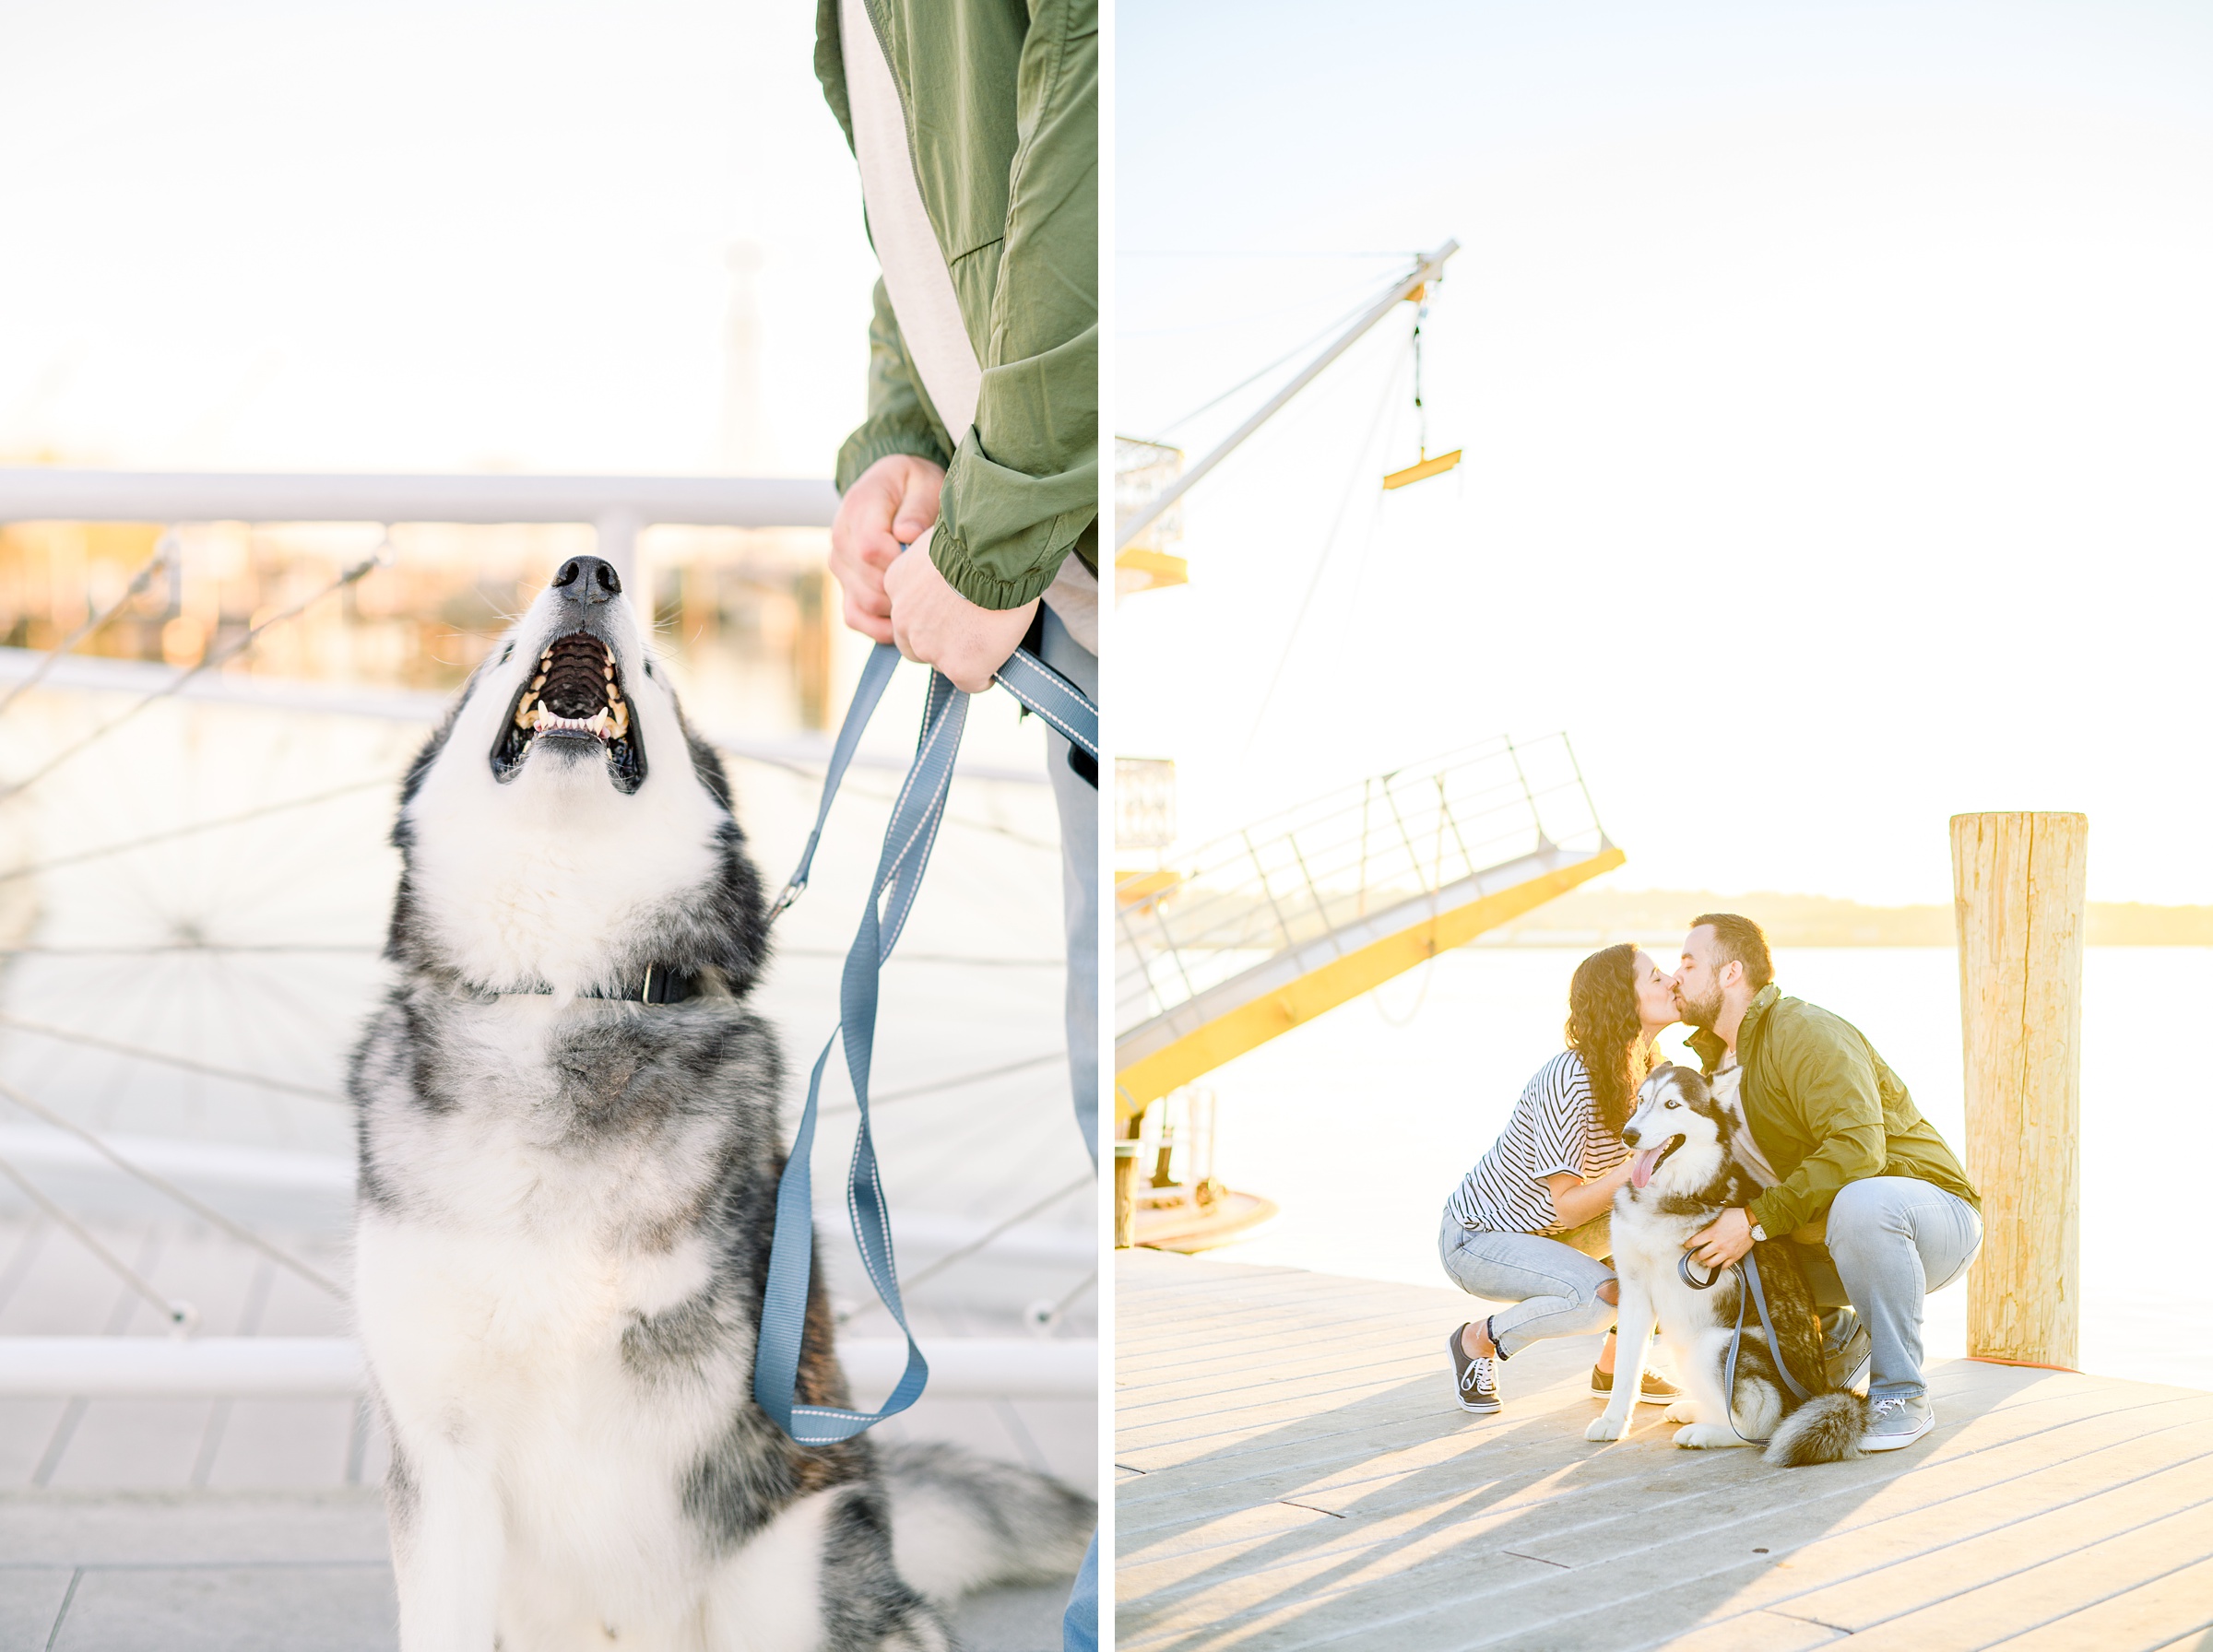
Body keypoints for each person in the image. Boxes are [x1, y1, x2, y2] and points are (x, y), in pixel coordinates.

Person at [814, 4, 1098, 1646]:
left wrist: (985, 546)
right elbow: (930, 237)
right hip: (1055, 584)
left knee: (1090, 1069)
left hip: (1073, 580)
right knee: (1087, 1078)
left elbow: (1088, 152)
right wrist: (897, 443)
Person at [1673, 913, 1982, 1453]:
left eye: (1688, 962)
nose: (1675, 975)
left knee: (1861, 1202)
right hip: (1826, 1242)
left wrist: (1755, 1219)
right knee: (1700, 1250)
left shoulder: (1803, 1030)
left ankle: (1902, 1393)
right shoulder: (1712, 1069)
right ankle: (1830, 1339)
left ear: (1730, 973)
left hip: (1928, 1218)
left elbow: (1858, 1150)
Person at [1441, 944, 1686, 1415]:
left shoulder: (1652, 1068)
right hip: (1479, 1238)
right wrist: (1642, 1162)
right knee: (1595, 1302)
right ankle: (1477, 1340)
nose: (1672, 980)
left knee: (1674, 1244)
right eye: (1655, 977)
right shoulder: (1570, 1077)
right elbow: (1568, 1206)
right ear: (1621, 999)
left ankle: (1614, 1367)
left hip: (1563, 1236)